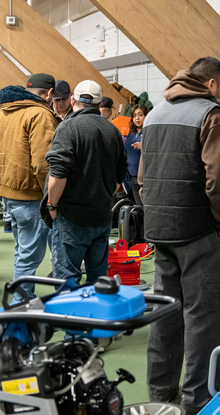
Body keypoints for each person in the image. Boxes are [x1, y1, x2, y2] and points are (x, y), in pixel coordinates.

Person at [143, 57, 220, 413]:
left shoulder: (155, 113)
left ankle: (159, 390)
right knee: (208, 317)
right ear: (213, 84)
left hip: (161, 229)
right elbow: (219, 178)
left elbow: (143, 177)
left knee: (166, 311)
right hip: (200, 230)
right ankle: (199, 399)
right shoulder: (212, 114)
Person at [45, 80, 127, 285]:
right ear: (100, 104)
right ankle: (94, 317)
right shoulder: (113, 131)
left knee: (67, 281)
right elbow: (120, 176)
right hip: (102, 217)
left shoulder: (68, 128)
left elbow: (58, 174)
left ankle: (69, 318)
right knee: (98, 282)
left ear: (73, 100)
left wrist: (52, 205)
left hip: (72, 217)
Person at [0, 73, 58, 301]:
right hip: (32, 196)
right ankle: (20, 307)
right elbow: (43, 164)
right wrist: (50, 198)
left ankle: (21, 302)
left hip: (8, 193)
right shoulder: (40, 115)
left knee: (22, 251)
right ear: (49, 93)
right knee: (30, 256)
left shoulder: (0, 114)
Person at [123, 104, 148, 205]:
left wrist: (144, 145)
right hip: (130, 176)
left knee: (142, 207)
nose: (137, 118)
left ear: (146, 116)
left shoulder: (148, 132)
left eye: (140, 115)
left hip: (142, 177)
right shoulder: (132, 132)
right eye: (134, 115)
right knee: (134, 207)